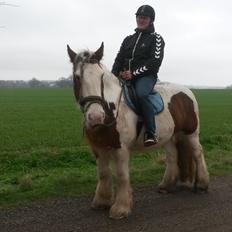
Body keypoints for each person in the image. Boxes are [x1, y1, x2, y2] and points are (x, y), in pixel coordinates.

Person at [111, 5, 165, 146]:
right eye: (139, 17)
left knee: (141, 94)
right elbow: (119, 59)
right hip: (124, 76)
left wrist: (133, 74)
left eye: (144, 18)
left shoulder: (156, 39)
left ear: (151, 20)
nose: (141, 20)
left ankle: (150, 133)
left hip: (145, 77)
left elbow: (154, 62)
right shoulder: (128, 39)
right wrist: (112, 76)